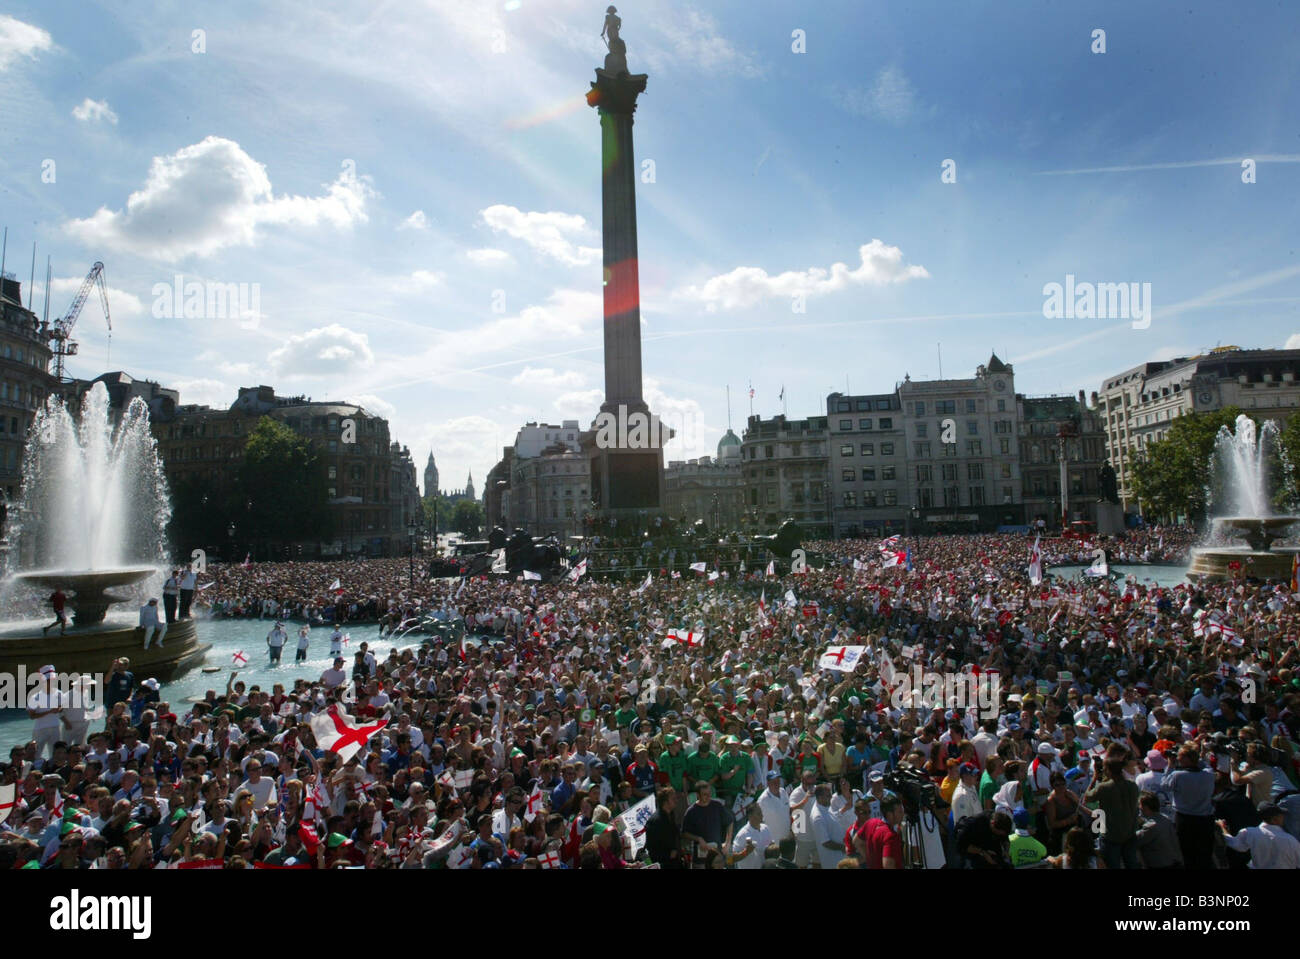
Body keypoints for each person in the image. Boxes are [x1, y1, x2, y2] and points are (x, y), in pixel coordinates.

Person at [1163, 745, 1218, 869]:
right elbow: (1206, 766)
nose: (1177, 758)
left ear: (1186, 759)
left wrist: (1170, 765)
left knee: (1187, 855)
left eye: (1179, 757)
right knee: (1204, 855)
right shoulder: (1209, 775)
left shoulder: (1178, 775)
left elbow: (1165, 785)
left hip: (1185, 820)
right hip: (1205, 820)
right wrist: (1199, 756)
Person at [1086, 757, 1140, 869]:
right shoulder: (1132, 785)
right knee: (1132, 864)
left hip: (1111, 835)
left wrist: (1095, 777)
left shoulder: (1104, 787)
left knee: (1112, 865)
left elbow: (1088, 797)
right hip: (1130, 832)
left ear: (1109, 770)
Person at [1218, 802, 1300, 869]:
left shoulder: (1250, 833)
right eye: (1281, 815)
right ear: (1274, 819)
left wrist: (1223, 829)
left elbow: (1235, 844)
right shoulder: (1290, 840)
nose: (1283, 818)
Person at [680, 782, 730, 868]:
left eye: (709, 793)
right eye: (704, 794)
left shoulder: (717, 806)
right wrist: (698, 839)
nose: (708, 796)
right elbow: (684, 833)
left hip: (717, 858)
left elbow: (730, 822)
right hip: (700, 859)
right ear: (698, 795)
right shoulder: (691, 812)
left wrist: (727, 842)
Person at [26, 665, 65, 762]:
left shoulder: (59, 693)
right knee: (36, 754)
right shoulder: (35, 697)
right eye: (48, 681)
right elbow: (32, 716)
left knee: (56, 754)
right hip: (40, 729)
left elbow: (62, 706)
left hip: (55, 727)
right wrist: (50, 711)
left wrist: (59, 709)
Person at [1135, 792, 1183, 868]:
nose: (1139, 807)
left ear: (1146, 807)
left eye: (1140, 804)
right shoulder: (1166, 820)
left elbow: (1135, 840)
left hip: (1159, 864)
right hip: (1172, 862)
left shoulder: (1151, 825)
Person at [861, 793, 905, 869]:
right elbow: (888, 865)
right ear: (889, 814)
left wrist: (870, 859)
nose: (902, 814)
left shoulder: (870, 823)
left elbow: (856, 842)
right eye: (899, 812)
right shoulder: (890, 836)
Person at [643, 788, 682, 868]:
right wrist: (668, 854)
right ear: (665, 802)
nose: (676, 801)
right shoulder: (655, 821)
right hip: (663, 864)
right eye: (673, 799)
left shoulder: (671, 815)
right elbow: (651, 847)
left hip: (675, 862)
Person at [730, 803, 773, 869]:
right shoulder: (742, 834)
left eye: (761, 812)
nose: (762, 815)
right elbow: (731, 859)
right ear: (750, 816)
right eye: (758, 813)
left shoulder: (766, 828)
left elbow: (771, 847)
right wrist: (746, 852)